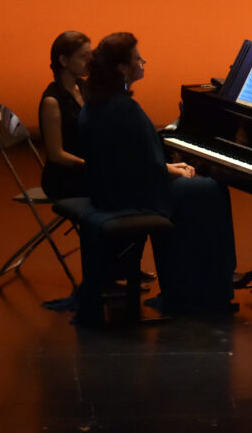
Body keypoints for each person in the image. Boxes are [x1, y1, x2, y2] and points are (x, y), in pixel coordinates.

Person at [78, 32, 237, 314]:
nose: (143, 62)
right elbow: (143, 169)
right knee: (210, 189)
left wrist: (170, 168)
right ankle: (206, 288)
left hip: (106, 188)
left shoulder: (97, 100)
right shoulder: (124, 107)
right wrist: (172, 172)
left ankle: (196, 281)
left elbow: (130, 161)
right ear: (122, 68)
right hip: (128, 196)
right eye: (138, 58)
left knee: (197, 187)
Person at [38, 31, 92, 199]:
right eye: (83, 56)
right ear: (64, 60)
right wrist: (92, 165)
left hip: (84, 170)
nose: (90, 61)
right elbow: (56, 155)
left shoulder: (83, 87)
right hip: (64, 178)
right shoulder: (52, 101)